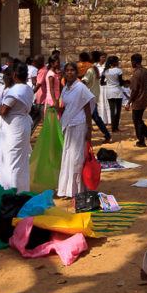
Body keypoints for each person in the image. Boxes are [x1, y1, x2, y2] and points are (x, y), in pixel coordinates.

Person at [0, 62, 34, 192]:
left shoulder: (15, 91)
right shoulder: (28, 88)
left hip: (13, 127)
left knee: (11, 160)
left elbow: (4, 110)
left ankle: (12, 189)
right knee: (20, 159)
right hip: (22, 125)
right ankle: (21, 188)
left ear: (14, 75)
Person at [57, 62, 95, 198]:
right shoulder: (65, 88)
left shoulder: (80, 88)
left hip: (79, 124)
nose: (69, 73)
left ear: (77, 72)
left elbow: (87, 108)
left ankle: (78, 189)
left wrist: (89, 129)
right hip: (68, 124)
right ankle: (67, 189)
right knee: (68, 154)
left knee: (76, 157)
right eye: (67, 70)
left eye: (72, 70)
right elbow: (64, 105)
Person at [82, 51, 112, 142]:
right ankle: (107, 135)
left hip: (89, 97)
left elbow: (84, 81)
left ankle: (107, 135)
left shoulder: (90, 70)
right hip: (93, 95)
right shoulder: (94, 68)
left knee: (94, 117)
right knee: (95, 117)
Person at [127, 54, 147, 147]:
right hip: (144, 99)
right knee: (139, 119)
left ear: (134, 61)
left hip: (137, 100)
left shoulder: (136, 73)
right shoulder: (146, 71)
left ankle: (141, 140)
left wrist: (129, 102)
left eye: (132, 61)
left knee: (136, 121)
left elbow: (134, 90)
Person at [100, 55, 125, 134]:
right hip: (117, 91)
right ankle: (116, 127)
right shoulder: (118, 71)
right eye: (117, 61)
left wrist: (108, 83)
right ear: (114, 62)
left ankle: (113, 127)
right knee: (118, 110)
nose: (118, 62)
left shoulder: (106, 71)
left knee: (112, 110)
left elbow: (101, 82)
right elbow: (121, 82)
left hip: (109, 91)